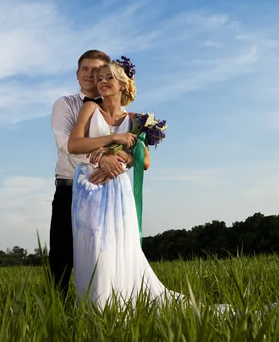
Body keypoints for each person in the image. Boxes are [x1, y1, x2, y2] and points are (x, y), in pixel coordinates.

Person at [67, 59, 187, 310]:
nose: (102, 82)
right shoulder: (89, 108)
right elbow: (74, 145)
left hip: (118, 187)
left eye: (108, 77)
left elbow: (145, 162)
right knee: (94, 248)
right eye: (99, 78)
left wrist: (121, 155)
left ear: (123, 84)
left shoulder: (135, 119)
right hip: (89, 184)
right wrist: (114, 138)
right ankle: (94, 309)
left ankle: (120, 306)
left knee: (117, 246)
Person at [49, 50, 133, 298]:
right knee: (63, 254)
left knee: (105, 253)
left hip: (109, 189)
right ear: (77, 74)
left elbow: (134, 153)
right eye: (85, 69)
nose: (91, 74)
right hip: (70, 186)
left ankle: (107, 301)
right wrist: (103, 158)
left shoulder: (124, 113)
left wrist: (117, 163)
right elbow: (66, 144)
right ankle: (59, 311)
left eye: (97, 70)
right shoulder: (66, 104)